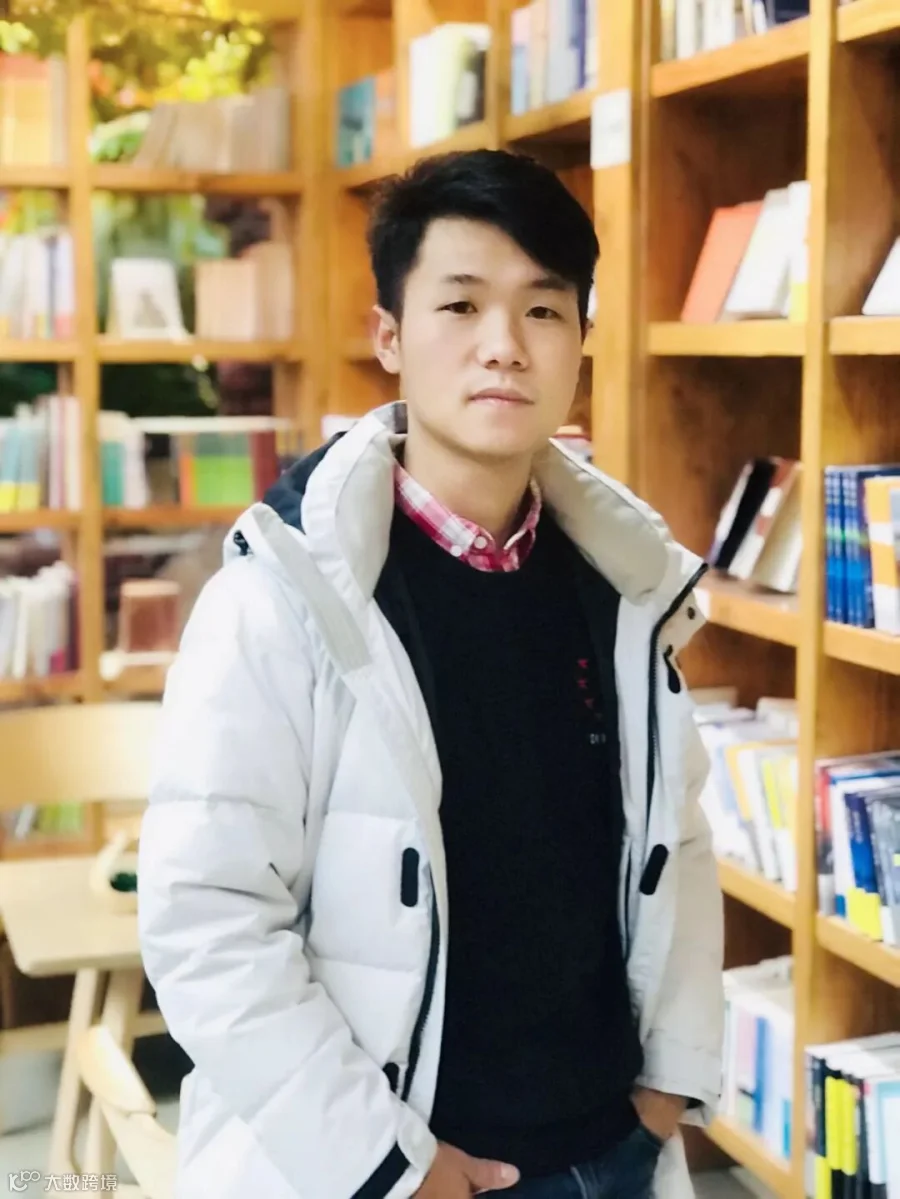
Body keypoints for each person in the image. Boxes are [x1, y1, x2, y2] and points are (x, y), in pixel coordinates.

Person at [138, 148, 724, 1199]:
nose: (505, 345)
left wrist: (663, 1090)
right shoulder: (284, 595)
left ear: (581, 341)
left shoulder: (627, 587)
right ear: (390, 337)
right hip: (396, 1165)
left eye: (543, 310)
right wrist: (387, 1167)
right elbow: (208, 917)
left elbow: (675, 842)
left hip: (613, 1147)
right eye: (460, 305)